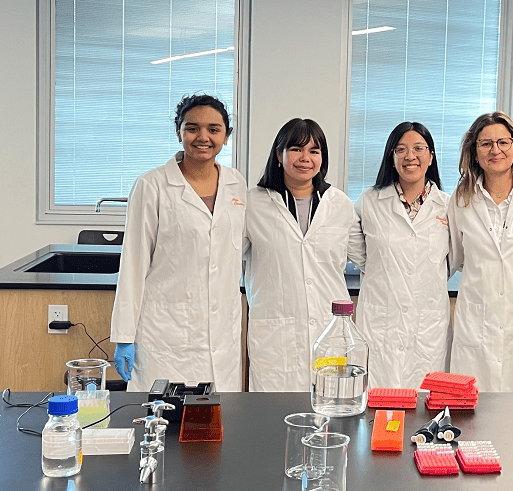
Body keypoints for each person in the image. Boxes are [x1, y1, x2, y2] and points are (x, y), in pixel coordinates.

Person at [110, 94, 246, 392]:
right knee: (162, 422)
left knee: (216, 424)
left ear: (226, 135)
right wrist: (124, 337)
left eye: (214, 129)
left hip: (221, 331)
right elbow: (133, 263)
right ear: (179, 132)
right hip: (166, 331)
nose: (203, 137)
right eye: (192, 128)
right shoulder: (152, 185)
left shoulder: (237, 184)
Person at [244, 118, 363, 391]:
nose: (305, 158)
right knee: (275, 415)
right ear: (279, 153)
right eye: (296, 149)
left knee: (331, 414)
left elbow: (368, 258)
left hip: (329, 329)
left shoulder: (339, 203)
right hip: (275, 333)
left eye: (314, 151)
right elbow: (224, 257)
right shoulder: (254, 203)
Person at [447, 112, 513, 392]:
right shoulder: (461, 199)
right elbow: (456, 258)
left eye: (502, 142)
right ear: (474, 152)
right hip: (475, 329)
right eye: (485, 144)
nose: (495, 150)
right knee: (472, 419)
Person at [351, 122, 450, 389]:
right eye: (401, 149)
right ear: (391, 157)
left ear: (431, 156)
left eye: (419, 148)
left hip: (427, 328)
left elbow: (455, 258)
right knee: (377, 408)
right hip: (381, 325)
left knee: (423, 409)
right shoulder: (369, 201)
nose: (410, 156)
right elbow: (359, 252)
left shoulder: (448, 206)